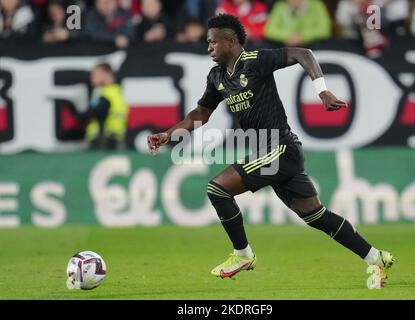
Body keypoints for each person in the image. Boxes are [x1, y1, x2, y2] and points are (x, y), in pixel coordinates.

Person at [147, 14, 395, 288]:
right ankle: (377, 258)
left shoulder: (255, 61)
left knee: (217, 189)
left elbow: (304, 53)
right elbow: (201, 113)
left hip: (279, 148)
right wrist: (169, 134)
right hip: (269, 152)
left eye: (213, 42)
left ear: (230, 41)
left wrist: (322, 91)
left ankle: (243, 254)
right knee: (314, 214)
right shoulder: (217, 76)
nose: (208, 48)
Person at [80, 63, 129, 150]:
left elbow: (93, 112)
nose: (92, 77)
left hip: (105, 141)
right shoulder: (117, 91)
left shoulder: (105, 94)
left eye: (95, 74)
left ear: (106, 74)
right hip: (114, 139)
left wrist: (77, 115)